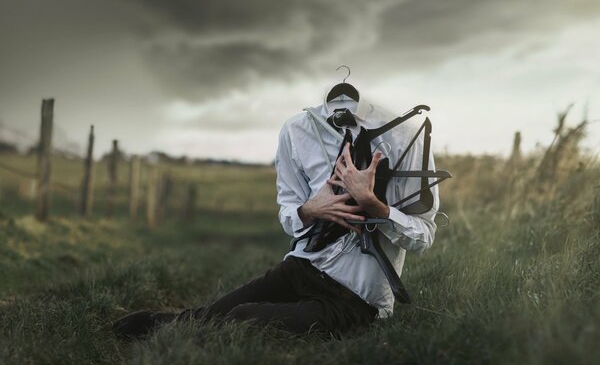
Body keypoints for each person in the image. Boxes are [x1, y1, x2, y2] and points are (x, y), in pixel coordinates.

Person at [113, 94, 439, 339]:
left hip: (356, 298)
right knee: (211, 314)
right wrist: (308, 209)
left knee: (243, 317)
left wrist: (374, 205)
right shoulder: (298, 131)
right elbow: (287, 208)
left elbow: (423, 236)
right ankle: (155, 326)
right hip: (303, 267)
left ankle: (165, 332)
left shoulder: (404, 135)